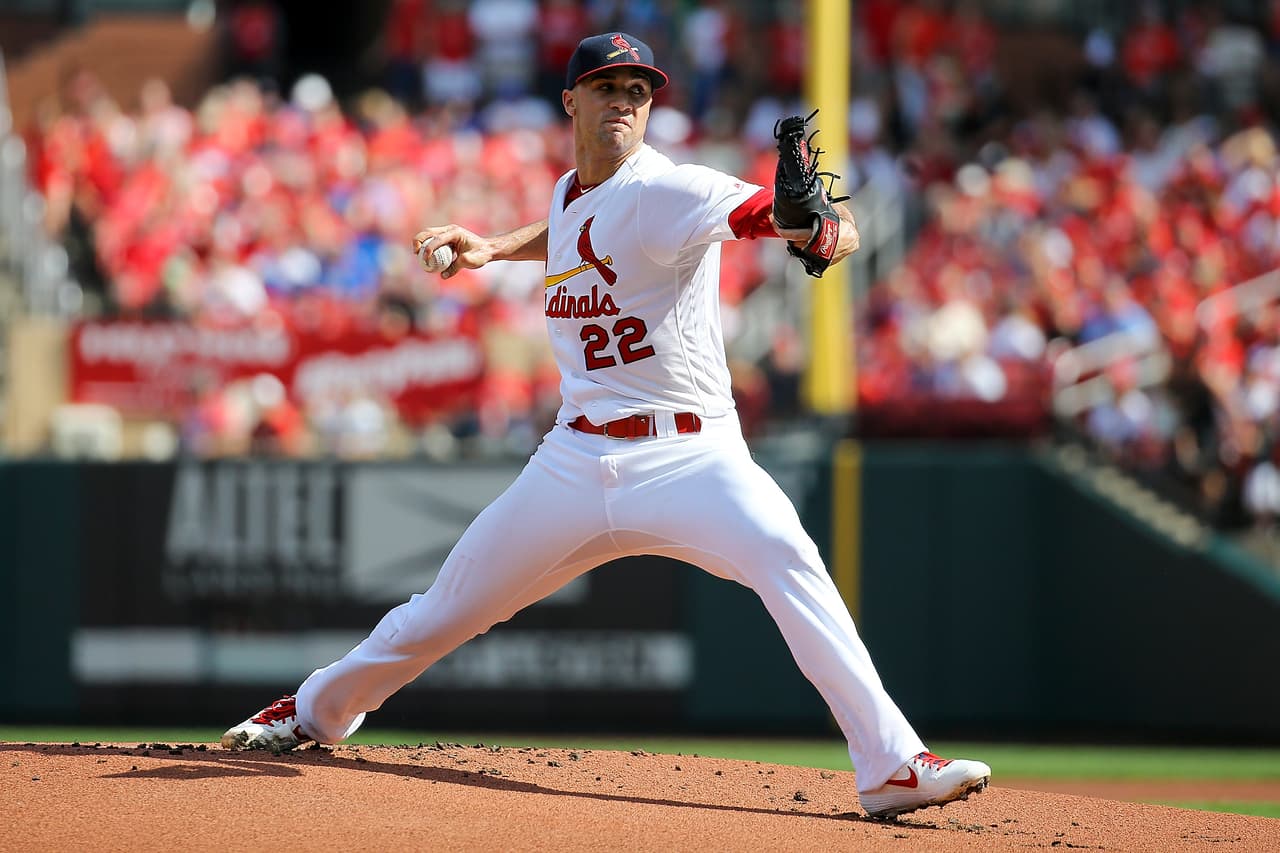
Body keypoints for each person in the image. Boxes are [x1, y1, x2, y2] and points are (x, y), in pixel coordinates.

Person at [222, 32, 991, 820]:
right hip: (575, 459)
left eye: (638, 91)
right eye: (606, 86)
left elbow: (775, 215)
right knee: (444, 608)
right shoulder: (571, 191)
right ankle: (314, 709)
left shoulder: (669, 189)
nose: (623, 101)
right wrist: (493, 247)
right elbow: (574, 226)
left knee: (788, 557)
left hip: (691, 455)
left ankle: (891, 763)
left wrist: (815, 226)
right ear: (571, 100)